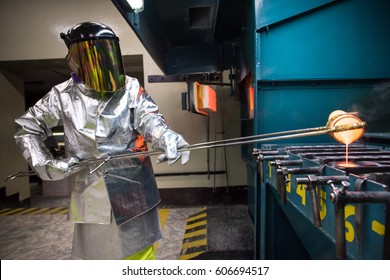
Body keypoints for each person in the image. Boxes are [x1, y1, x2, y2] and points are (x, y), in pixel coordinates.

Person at [14, 22, 190, 260]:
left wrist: (167, 136)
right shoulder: (62, 95)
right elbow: (27, 128)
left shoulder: (129, 87)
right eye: (94, 55)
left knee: (138, 258)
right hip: (91, 195)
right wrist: (45, 164)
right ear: (78, 58)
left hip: (134, 193)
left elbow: (149, 119)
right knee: (96, 259)